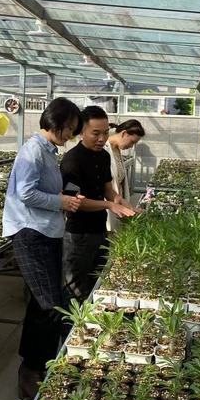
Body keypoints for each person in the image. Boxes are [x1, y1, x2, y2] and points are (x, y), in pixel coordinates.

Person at [2, 97, 84, 400]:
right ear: (56, 123)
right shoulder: (32, 151)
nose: (71, 135)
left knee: (42, 304)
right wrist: (60, 201)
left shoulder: (48, 152)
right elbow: (25, 193)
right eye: (70, 128)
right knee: (48, 304)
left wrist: (64, 199)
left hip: (46, 231)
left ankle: (37, 367)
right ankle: (32, 370)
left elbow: (43, 190)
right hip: (30, 233)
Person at [60, 106, 137, 302]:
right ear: (81, 131)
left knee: (97, 280)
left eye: (105, 133)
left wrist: (121, 202)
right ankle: (69, 321)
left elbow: (107, 189)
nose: (102, 139)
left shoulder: (103, 156)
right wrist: (109, 206)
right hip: (78, 235)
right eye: (96, 133)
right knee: (76, 287)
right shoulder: (72, 160)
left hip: (99, 230)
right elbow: (74, 202)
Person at [105, 119, 145, 232]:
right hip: (106, 204)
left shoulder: (116, 150)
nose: (131, 146)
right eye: (131, 142)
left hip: (117, 202)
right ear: (124, 134)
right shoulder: (103, 149)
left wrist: (127, 206)